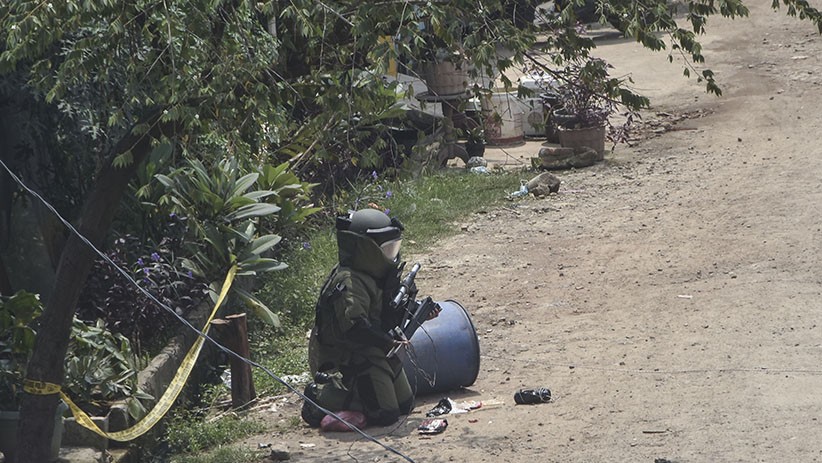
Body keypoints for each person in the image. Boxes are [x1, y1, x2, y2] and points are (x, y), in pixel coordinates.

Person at [302, 208, 434, 428]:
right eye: (386, 249)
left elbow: (386, 318)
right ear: (365, 249)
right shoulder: (349, 280)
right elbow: (355, 328)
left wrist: (417, 313)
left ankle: (360, 396)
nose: (392, 255)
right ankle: (320, 397)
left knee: (405, 404)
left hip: (375, 350)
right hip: (349, 358)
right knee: (385, 414)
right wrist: (387, 342)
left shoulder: (375, 276)